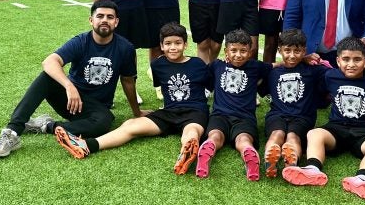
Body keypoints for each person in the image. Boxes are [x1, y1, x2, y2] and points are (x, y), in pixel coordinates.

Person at [0, 0, 143, 159]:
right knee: (47, 77)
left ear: (116, 22)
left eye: (110, 17)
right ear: (91, 20)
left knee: (105, 122)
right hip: (70, 101)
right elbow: (49, 62)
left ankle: (46, 125)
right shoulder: (81, 41)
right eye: (100, 16)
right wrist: (69, 86)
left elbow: (128, 81)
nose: (104, 20)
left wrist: (137, 112)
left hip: (95, 107)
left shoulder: (125, 48)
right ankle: (12, 132)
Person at [53, 23, 212, 175]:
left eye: (178, 43)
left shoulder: (198, 64)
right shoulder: (158, 65)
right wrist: (140, 112)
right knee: (130, 125)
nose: (173, 47)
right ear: (161, 46)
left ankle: (187, 150)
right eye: (168, 43)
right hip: (169, 112)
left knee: (191, 131)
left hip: (195, 112)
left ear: (185, 45)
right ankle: (87, 146)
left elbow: (211, 86)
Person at [283, 38, 365, 200]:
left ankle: (363, 178)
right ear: (338, 61)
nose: (351, 64)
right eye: (346, 59)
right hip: (337, 129)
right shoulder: (330, 76)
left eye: (357, 60)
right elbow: (305, 71)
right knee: (315, 133)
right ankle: (313, 168)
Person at [195, 29, 271, 181]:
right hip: (223, 115)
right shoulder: (216, 65)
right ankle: (213, 148)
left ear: (250, 52)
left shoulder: (256, 66)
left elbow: (275, 66)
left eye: (243, 51)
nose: (238, 55)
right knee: (236, 139)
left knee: (222, 136)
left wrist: (305, 59)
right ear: (226, 51)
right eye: (233, 50)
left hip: (242, 117)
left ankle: (246, 152)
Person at [262, 29, 328, 178]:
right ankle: (270, 160)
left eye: (297, 51)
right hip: (277, 115)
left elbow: (334, 71)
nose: (292, 55)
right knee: (276, 134)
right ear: (279, 50)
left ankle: (291, 162)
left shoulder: (313, 71)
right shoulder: (273, 72)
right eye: (287, 50)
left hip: (303, 116)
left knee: (293, 136)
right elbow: (253, 69)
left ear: (304, 51)